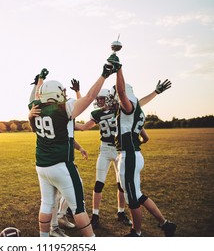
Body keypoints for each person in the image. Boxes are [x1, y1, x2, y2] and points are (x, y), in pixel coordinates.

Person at [72, 78, 171, 229]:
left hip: (122, 152)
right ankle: (96, 215)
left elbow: (138, 102)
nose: (99, 101)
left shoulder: (122, 108)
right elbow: (85, 124)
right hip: (107, 149)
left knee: (123, 186)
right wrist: (67, 123)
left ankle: (122, 213)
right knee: (101, 184)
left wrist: (155, 92)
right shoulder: (102, 112)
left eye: (102, 98)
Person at [28, 65, 113, 237]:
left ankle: (44, 239)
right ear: (58, 93)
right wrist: (104, 75)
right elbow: (90, 97)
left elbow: (34, 96)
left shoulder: (35, 108)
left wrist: (39, 81)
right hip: (61, 165)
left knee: (46, 204)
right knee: (78, 207)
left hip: (42, 166)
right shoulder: (63, 108)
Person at [108, 53, 177, 237]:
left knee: (133, 199)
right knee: (137, 194)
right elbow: (140, 101)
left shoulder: (127, 105)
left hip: (129, 156)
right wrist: (156, 92)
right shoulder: (135, 108)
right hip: (133, 154)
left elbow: (122, 93)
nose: (115, 98)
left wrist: (119, 70)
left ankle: (136, 233)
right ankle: (165, 224)